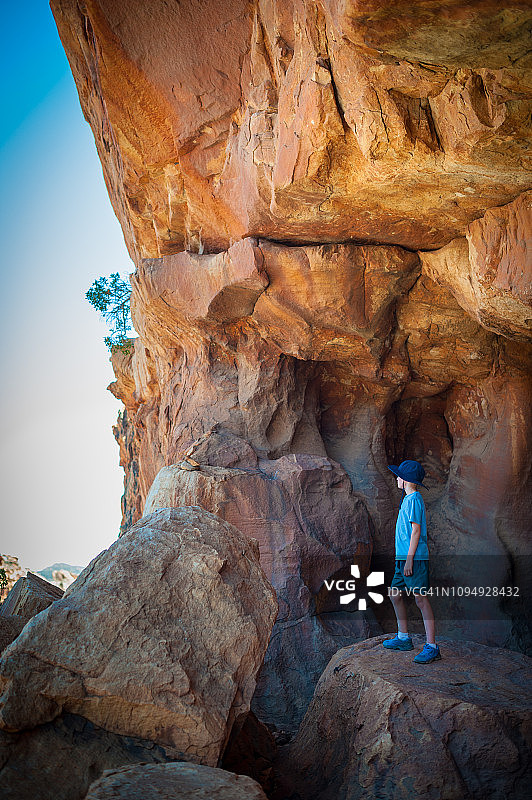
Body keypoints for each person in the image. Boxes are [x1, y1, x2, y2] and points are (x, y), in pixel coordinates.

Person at [382, 459, 441, 663]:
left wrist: (409, 560)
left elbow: (416, 531)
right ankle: (403, 638)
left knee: (420, 599)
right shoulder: (406, 499)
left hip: (414, 559)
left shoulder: (415, 499)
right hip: (403, 558)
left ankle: (432, 646)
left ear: (406, 480)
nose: (397, 478)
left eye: (399, 476)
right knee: (394, 594)